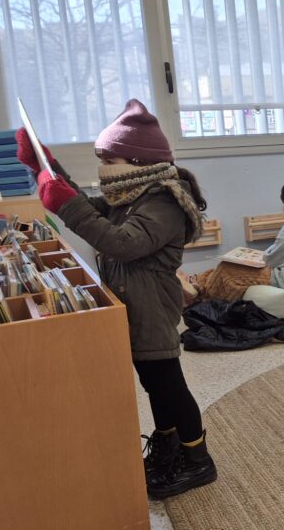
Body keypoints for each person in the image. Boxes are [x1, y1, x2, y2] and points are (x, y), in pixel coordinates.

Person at [15, 99, 216, 499]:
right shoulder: (131, 194)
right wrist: (47, 168)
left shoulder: (163, 201)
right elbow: (90, 210)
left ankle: (198, 460)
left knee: (169, 385)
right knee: (154, 385)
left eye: (110, 158)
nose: (104, 165)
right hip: (134, 304)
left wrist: (64, 202)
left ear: (137, 160)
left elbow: (121, 243)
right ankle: (168, 448)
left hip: (152, 308)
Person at [179, 180, 284, 304]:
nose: (283, 209)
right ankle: (194, 282)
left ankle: (197, 291)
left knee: (228, 269)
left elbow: (272, 260)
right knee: (227, 266)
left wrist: (260, 256)